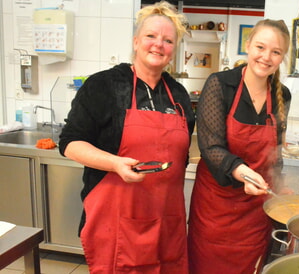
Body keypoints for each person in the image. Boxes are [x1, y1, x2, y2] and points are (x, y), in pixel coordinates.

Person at [57, 1, 195, 273]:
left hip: (167, 220)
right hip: (117, 221)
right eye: (151, 36)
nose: (159, 45)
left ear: (174, 50)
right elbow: (70, 143)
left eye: (168, 40)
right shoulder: (104, 85)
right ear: (135, 41)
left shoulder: (178, 94)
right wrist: (115, 163)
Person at [187, 19, 292, 273]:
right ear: (248, 45)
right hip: (215, 209)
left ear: (282, 57)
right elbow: (210, 147)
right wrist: (243, 173)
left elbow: (274, 155)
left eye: (276, 52)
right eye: (260, 47)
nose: (266, 57)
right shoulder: (220, 85)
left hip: (256, 212)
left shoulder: (282, 95)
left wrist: (282, 187)